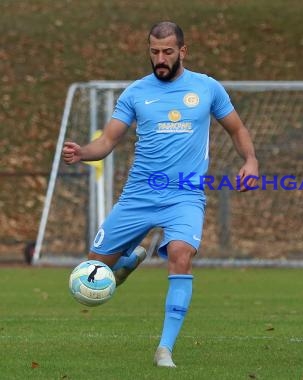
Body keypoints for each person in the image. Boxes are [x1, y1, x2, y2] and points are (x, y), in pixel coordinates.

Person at [62, 21, 259, 368]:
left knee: (181, 253)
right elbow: (108, 140)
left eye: (167, 52)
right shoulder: (136, 93)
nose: (160, 59)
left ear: (183, 51)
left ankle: (164, 349)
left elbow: (236, 128)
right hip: (139, 194)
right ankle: (124, 263)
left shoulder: (207, 88)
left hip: (185, 195)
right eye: (154, 52)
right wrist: (83, 152)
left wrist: (251, 160)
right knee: (91, 272)